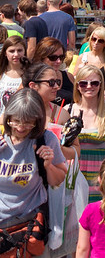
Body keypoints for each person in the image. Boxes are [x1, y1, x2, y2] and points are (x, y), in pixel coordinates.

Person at [0, 88, 67, 231]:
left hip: (31, 224)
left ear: (37, 120)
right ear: (8, 118)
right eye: (16, 121)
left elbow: (58, 180)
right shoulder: (1, 138)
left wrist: (48, 166)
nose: (20, 128)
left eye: (28, 123)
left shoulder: (46, 139)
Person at [71, 65, 105, 203]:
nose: (89, 86)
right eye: (83, 83)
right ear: (77, 86)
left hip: (99, 179)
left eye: (94, 83)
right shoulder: (68, 111)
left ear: (100, 85)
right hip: (74, 178)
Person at [75, 26, 105, 103]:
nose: (96, 43)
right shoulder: (83, 57)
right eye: (94, 39)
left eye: (100, 41)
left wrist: (102, 98)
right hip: (85, 98)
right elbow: (75, 78)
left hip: (104, 99)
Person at [0, 35, 27, 116]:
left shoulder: (30, 73)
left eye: (19, 50)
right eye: (12, 51)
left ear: (24, 51)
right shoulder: (1, 73)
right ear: (5, 53)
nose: (16, 54)